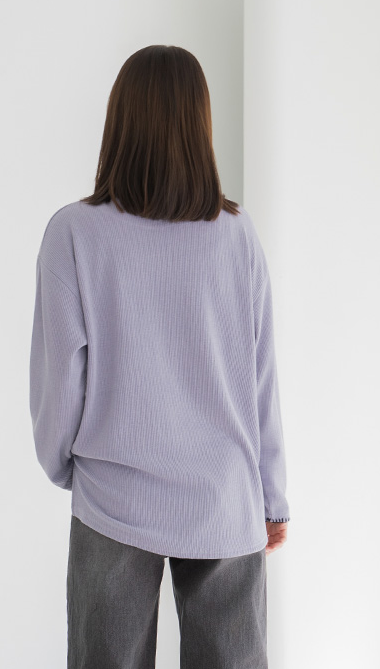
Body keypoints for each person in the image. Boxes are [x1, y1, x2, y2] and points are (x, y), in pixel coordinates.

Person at [29, 44, 290, 669]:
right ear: (200, 126)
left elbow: (61, 375)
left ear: (120, 121)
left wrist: (64, 465)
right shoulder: (238, 236)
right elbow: (260, 377)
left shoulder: (74, 233)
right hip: (224, 496)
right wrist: (271, 498)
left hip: (113, 496)